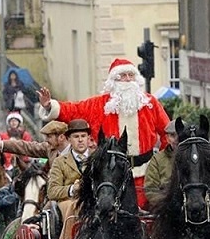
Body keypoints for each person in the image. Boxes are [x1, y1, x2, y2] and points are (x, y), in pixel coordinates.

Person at [37, 57, 170, 209]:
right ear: (113, 81)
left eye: (130, 75)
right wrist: (50, 106)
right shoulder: (100, 105)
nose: (127, 80)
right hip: (110, 176)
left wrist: (163, 162)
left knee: (151, 216)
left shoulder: (150, 103)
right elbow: (74, 110)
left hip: (146, 173)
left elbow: (168, 133)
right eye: (122, 76)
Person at [47, 119, 90, 239]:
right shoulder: (60, 162)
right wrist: (72, 189)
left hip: (94, 199)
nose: (80, 140)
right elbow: (52, 191)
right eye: (76, 137)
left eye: (83, 136)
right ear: (69, 139)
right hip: (68, 202)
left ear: (89, 138)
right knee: (74, 206)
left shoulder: (98, 158)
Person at [0, 120, 69, 170]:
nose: (46, 140)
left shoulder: (75, 152)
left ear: (61, 137)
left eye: (49, 137)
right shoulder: (49, 148)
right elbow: (25, 146)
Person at [144, 119, 178, 208]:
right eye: (172, 135)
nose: (176, 139)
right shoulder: (157, 159)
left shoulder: (194, 158)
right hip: (166, 209)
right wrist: (166, 203)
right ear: (167, 138)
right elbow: (150, 189)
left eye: (179, 135)